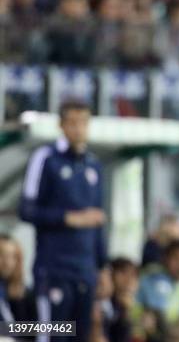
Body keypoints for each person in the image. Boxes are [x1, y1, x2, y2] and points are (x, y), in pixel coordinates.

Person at [19, 99, 107, 342]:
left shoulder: (94, 166)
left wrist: (102, 267)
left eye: (83, 122)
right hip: (54, 270)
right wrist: (69, 218)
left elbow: (98, 220)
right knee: (54, 336)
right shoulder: (46, 158)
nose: (78, 128)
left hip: (86, 273)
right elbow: (26, 210)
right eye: (72, 122)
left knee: (80, 336)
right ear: (61, 125)